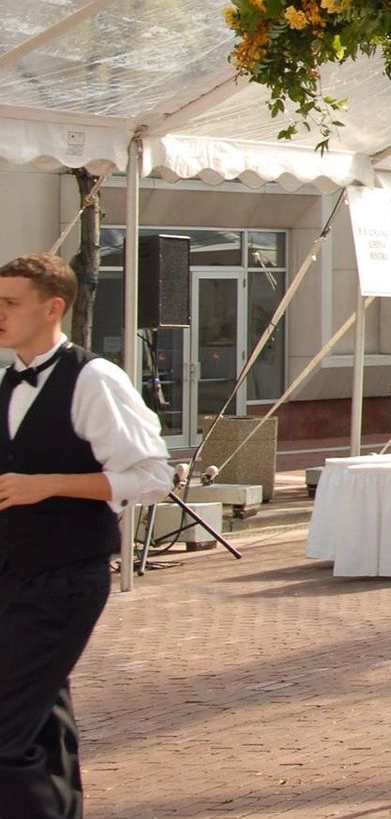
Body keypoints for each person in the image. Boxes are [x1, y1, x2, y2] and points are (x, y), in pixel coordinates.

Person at [1, 253, 171, 819]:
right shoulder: (7, 380)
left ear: (53, 308)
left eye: (9, 303)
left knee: (6, 730)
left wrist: (46, 485)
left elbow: (151, 477)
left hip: (66, 579)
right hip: (13, 575)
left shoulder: (94, 378)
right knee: (41, 720)